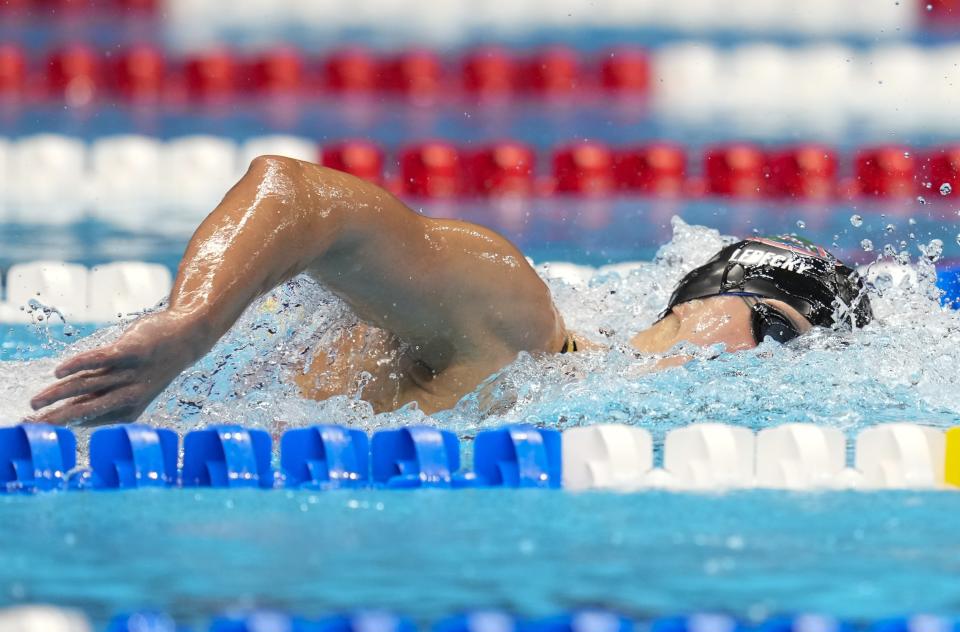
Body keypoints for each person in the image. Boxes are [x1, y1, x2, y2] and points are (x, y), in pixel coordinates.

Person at [25, 156, 872, 427]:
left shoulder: (563, 397)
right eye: (773, 324)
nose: (773, 363)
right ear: (697, 303)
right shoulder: (515, 325)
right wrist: (191, 325)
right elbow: (294, 190)